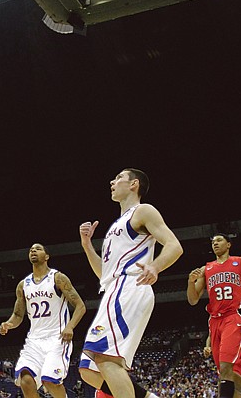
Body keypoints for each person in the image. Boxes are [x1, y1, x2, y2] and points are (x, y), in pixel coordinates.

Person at [78, 168, 184, 398]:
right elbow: (104, 273)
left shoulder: (143, 211)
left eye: (118, 178)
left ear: (134, 184)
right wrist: (87, 246)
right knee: (88, 369)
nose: (112, 181)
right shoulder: (117, 224)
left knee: (105, 358)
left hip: (129, 287)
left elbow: (175, 246)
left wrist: (155, 266)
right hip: (113, 289)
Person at [0, 243, 86, 398]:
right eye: (31, 249)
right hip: (34, 340)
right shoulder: (23, 285)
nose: (33, 250)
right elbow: (18, 315)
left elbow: (80, 306)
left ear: (46, 257)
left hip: (57, 338)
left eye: (38, 249)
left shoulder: (58, 278)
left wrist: (70, 327)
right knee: (26, 380)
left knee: (50, 381)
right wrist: (9, 323)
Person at [187, 234, 241, 398]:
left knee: (225, 369)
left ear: (229, 244)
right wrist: (190, 282)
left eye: (219, 240)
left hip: (233, 317)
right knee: (225, 372)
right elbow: (193, 300)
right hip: (215, 320)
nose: (215, 243)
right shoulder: (206, 269)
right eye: (212, 242)